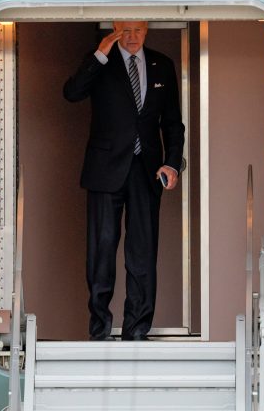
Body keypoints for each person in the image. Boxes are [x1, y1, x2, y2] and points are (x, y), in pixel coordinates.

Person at [63, 21, 185, 341]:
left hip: (146, 170)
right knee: (102, 250)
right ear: (116, 28)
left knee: (142, 252)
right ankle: (100, 328)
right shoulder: (101, 59)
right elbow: (72, 93)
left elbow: (173, 122)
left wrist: (172, 163)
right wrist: (100, 56)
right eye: (126, 30)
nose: (132, 37)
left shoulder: (161, 64)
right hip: (105, 169)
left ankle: (137, 329)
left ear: (147, 30)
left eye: (138, 30)